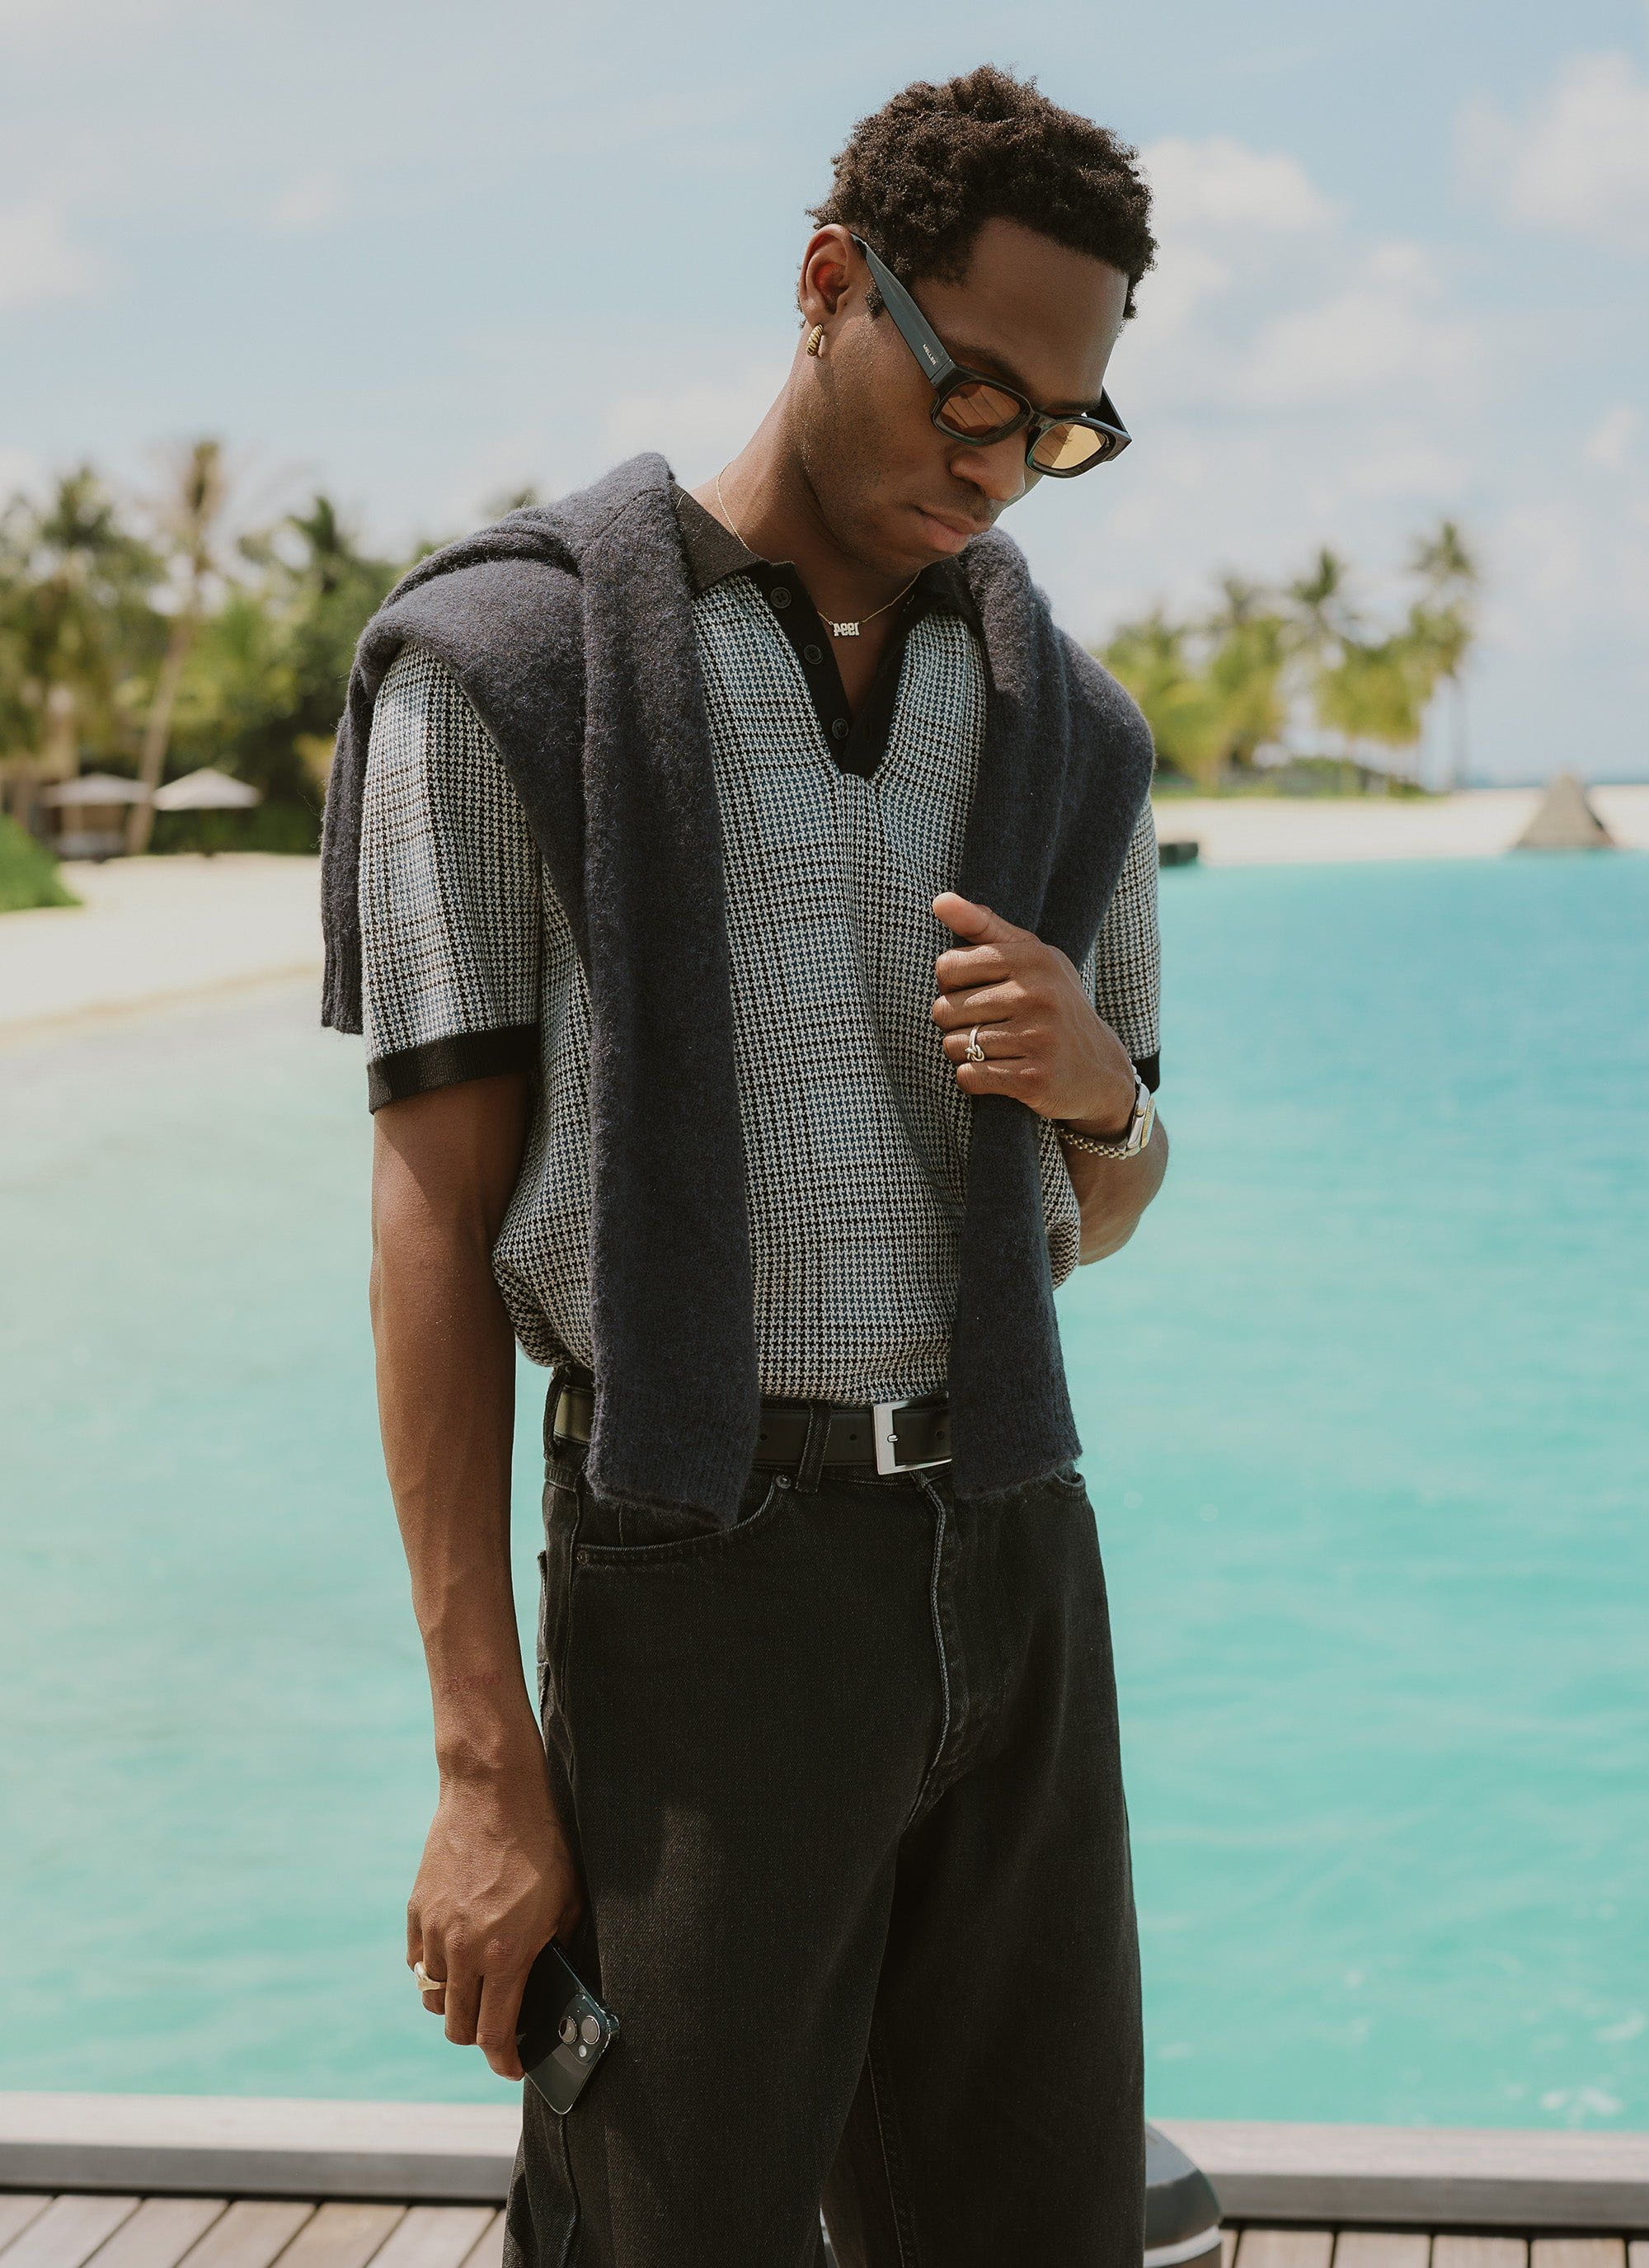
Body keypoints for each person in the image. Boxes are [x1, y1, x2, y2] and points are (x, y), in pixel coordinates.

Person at [320, 62, 1168, 2268]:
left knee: (1037, 2231)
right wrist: (483, 1763)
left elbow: (1107, 1203)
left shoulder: (1072, 732)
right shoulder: (505, 670)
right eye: (970, 384)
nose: (995, 465)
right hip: (701, 1582)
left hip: (1010, 1553)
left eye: (1052, 431)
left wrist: (1103, 1098)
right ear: (828, 284)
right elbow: (429, 1224)